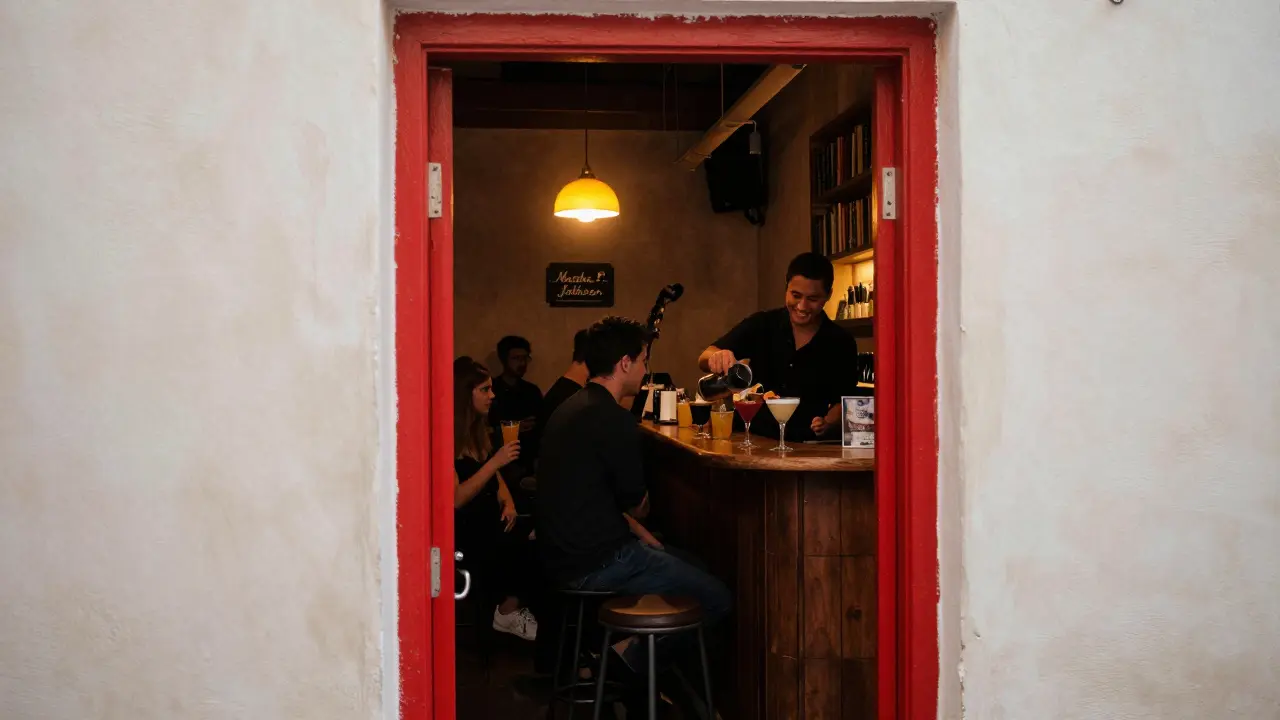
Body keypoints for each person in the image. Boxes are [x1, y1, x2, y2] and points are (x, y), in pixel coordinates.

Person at [537, 316, 731, 673]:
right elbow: (637, 507)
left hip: (561, 556)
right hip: (595, 564)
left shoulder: (572, 406)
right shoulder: (612, 418)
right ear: (625, 363)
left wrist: (638, 530)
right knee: (718, 598)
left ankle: (640, 667)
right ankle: (623, 665)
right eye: (643, 360)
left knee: (695, 567)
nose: (645, 369)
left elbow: (600, 498)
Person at [698, 251, 864, 442]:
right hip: (752, 440)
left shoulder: (841, 342)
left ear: (829, 295)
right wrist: (717, 357)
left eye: (812, 299)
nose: (802, 306)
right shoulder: (762, 324)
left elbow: (844, 401)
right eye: (796, 295)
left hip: (806, 447)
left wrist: (829, 423)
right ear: (786, 288)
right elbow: (704, 357)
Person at [453, 357, 539, 641]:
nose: (492, 395)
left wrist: (508, 500)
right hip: (466, 529)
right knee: (530, 547)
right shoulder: (447, 438)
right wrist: (496, 462)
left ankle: (515, 609)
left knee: (546, 531)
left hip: (490, 517)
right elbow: (456, 499)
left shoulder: (477, 430)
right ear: (466, 394)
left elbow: (495, 478)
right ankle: (507, 611)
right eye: (485, 390)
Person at [490, 335, 542, 433]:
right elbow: (486, 429)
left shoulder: (532, 391)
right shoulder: (491, 390)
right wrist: (513, 428)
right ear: (503, 360)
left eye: (525, 358)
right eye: (516, 358)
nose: (522, 363)